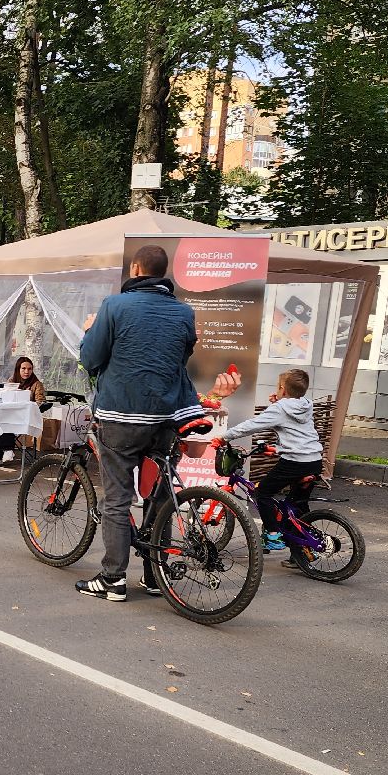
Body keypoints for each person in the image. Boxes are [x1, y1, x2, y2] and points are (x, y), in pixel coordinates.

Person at [73, 244, 204, 602]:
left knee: (117, 499)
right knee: (159, 497)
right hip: (166, 418)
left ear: (135, 269)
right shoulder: (184, 312)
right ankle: (154, 575)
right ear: (163, 272)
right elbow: (182, 357)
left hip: (120, 416)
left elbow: (91, 358)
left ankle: (113, 579)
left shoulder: (114, 306)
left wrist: (89, 331)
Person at [217, 368, 324, 554]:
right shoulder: (306, 405)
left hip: (295, 462)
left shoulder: (280, 409)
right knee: (297, 504)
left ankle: (273, 536)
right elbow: (298, 433)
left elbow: (252, 425)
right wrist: (277, 448)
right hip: (314, 461)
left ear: (282, 388)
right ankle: (302, 553)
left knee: (262, 493)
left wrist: (224, 437)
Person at [0, 356, 47, 465]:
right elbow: (5, 397)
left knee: (7, 422)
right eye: (23, 368)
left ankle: (7, 449)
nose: (26, 371)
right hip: (10, 414)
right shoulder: (11, 381)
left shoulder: (37, 384)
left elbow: (40, 402)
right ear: (18, 369)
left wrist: (27, 405)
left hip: (25, 416)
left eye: (29, 369)